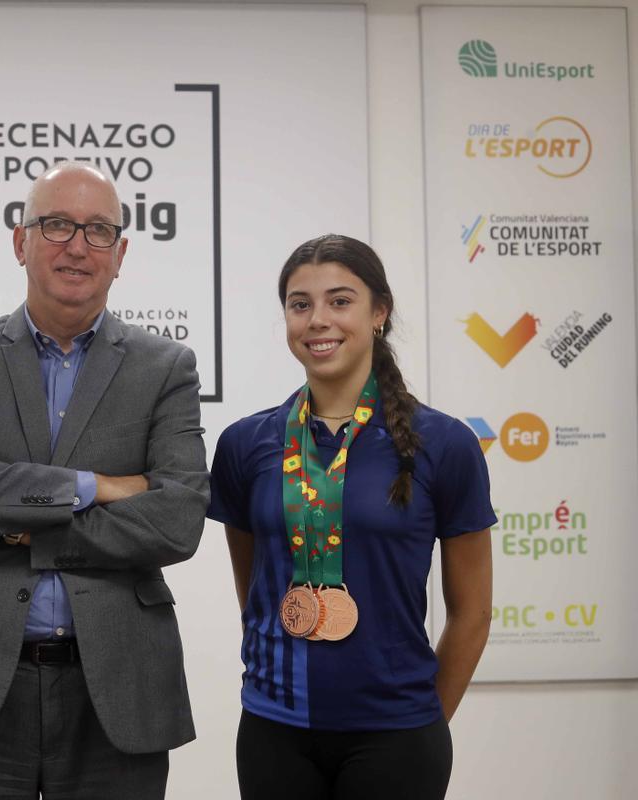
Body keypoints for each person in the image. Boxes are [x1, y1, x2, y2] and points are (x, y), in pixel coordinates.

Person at [0, 162, 209, 799]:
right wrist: (99, 485)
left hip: (115, 690)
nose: (76, 245)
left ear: (120, 256)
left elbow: (179, 518)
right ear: (20, 241)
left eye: (97, 232)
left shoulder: (166, 366)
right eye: (57, 224)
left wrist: (13, 514)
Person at [208, 234, 494, 799]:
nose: (318, 320)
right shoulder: (245, 443)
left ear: (379, 311)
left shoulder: (445, 443)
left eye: (340, 301)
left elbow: (474, 613)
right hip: (273, 728)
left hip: (396, 735)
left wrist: (424, 719)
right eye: (299, 304)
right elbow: (257, 589)